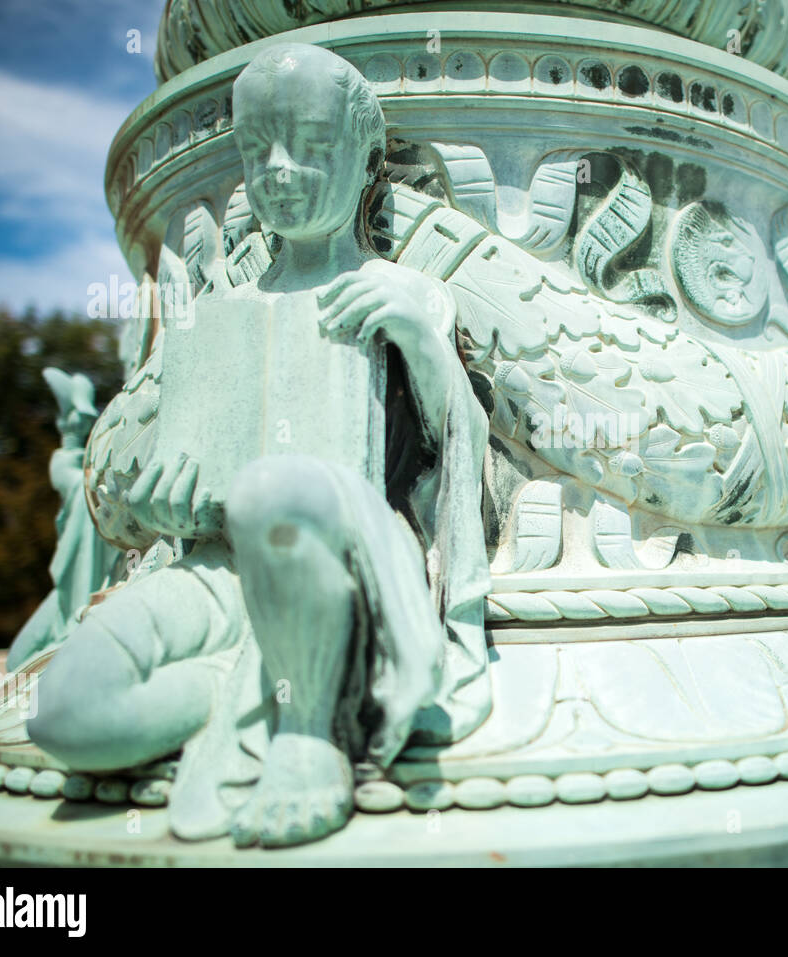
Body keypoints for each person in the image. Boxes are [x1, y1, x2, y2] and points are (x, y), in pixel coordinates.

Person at [28, 43, 491, 847]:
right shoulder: (212, 318)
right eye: (257, 150)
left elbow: (460, 448)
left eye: (310, 146)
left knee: (270, 491)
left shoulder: (403, 293)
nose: (280, 170)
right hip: (215, 570)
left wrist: (420, 338)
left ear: (363, 157)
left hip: (334, 549)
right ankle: (236, 695)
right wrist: (154, 498)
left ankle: (308, 728)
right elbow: (147, 463)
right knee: (66, 712)